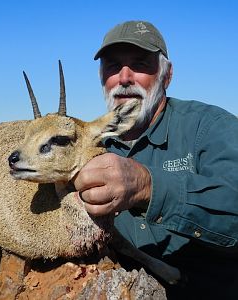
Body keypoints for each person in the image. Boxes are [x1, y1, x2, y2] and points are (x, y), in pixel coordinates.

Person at [73, 20, 238, 299]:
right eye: (113, 67)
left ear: (167, 75)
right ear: (102, 78)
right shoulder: (87, 146)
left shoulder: (210, 127)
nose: (124, 78)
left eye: (140, 64)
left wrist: (148, 186)